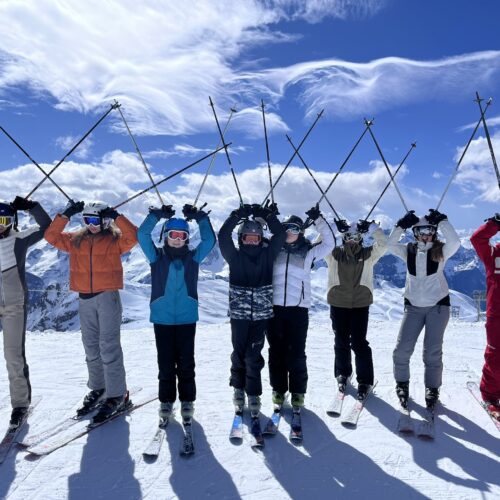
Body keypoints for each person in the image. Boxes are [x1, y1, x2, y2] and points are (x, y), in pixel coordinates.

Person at [45, 200, 137, 423]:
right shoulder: (76, 239)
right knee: (91, 345)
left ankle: (117, 395)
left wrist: (116, 216)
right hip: (84, 298)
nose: (92, 224)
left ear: (104, 220)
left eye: (96, 220)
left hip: (107, 296)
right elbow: (51, 236)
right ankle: (98, 388)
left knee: (109, 345)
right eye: (87, 220)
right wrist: (65, 215)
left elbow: (133, 236)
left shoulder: (114, 240)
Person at [137, 203, 216, 424]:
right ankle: (166, 401)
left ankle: (187, 401)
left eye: (182, 235)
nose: (178, 239)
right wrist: (155, 215)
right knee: (165, 363)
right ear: (166, 236)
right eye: (173, 234)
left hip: (186, 318)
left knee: (186, 363)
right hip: (162, 319)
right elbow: (142, 234)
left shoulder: (193, 258)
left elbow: (209, 241)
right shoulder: (157, 257)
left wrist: (201, 218)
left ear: (187, 238)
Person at [218, 203, 285, 419]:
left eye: (256, 238)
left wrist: (266, 215)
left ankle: (253, 393)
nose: (252, 241)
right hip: (239, 315)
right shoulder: (234, 256)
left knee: (252, 355)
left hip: (261, 314)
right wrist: (236, 215)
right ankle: (238, 389)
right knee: (238, 354)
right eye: (247, 237)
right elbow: (223, 235)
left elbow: (280, 234)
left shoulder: (268, 255)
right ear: (241, 239)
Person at [388, 209, 460, 410]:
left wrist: (443, 221)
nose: (425, 234)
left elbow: (455, 242)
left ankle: (432, 389)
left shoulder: (441, 250)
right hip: (413, 307)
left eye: (429, 230)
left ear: (434, 232)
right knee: (401, 350)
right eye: (420, 230)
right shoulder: (408, 250)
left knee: (432, 353)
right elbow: (390, 244)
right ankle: (402, 384)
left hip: (437, 307)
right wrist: (400, 225)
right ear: (415, 233)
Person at [268, 204, 335, 410]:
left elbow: (330, 243)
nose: (291, 232)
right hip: (275, 309)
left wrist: (318, 219)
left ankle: (298, 392)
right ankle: (278, 390)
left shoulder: (308, 251)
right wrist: (268, 218)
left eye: (296, 228)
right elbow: (252, 237)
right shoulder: (273, 248)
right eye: (287, 227)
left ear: (301, 232)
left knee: (296, 352)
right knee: (276, 352)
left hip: (298, 310)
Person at [0, 196, 50, 427]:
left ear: (11, 221)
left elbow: (47, 228)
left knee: (13, 356)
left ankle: (20, 405)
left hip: (13, 305)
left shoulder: (19, 240)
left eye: (3, 220)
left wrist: (32, 207)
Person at [325, 217, 388, 400]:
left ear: (361, 238)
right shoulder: (334, 253)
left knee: (359, 342)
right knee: (341, 340)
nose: (352, 239)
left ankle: (365, 380)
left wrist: (373, 228)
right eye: (348, 236)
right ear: (344, 238)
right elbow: (319, 245)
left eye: (355, 236)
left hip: (360, 304)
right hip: (338, 303)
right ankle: (342, 373)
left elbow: (383, 245)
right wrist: (333, 229)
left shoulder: (369, 254)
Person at [470, 213, 500, 417]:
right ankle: (490, 395)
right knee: (495, 354)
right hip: (496, 313)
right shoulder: (493, 253)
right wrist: (494, 223)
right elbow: (477, 239)